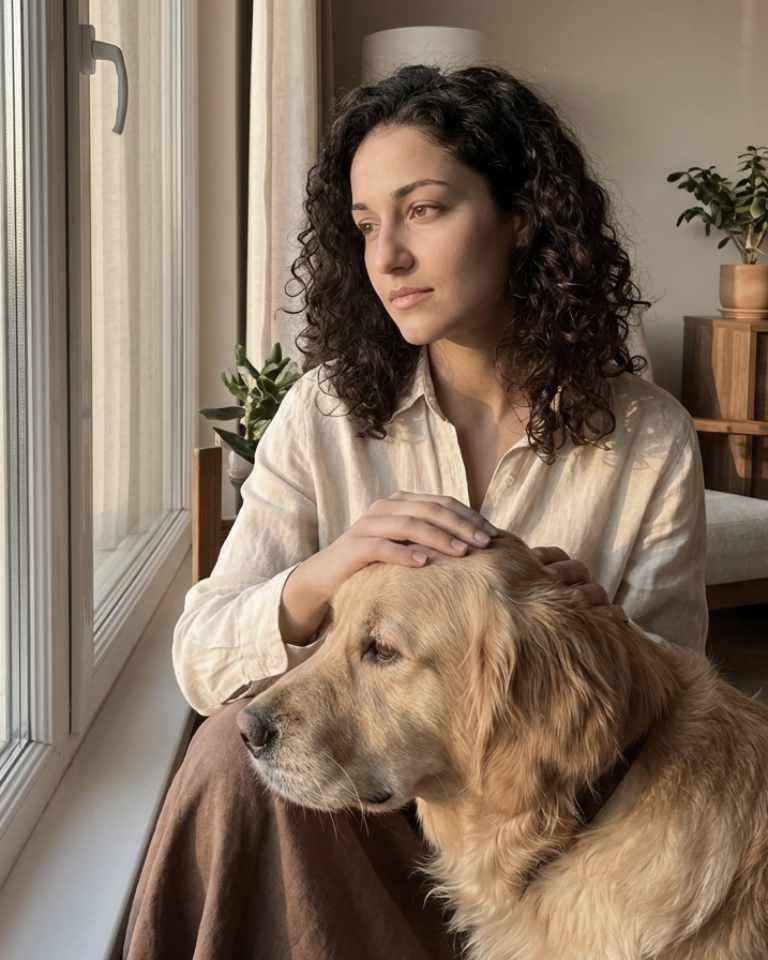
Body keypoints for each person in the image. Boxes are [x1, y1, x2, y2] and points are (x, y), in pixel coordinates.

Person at [122, 64, 708, 960]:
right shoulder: (324, 412)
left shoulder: (647, 436)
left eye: (424, 210)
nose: (387, 256)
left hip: (555, 843)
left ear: (521, 216)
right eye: (365, 226)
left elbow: (680, 693)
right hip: (356, 821)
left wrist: (596, 637)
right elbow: (203, 663)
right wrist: (329, 571)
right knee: (223, 765)